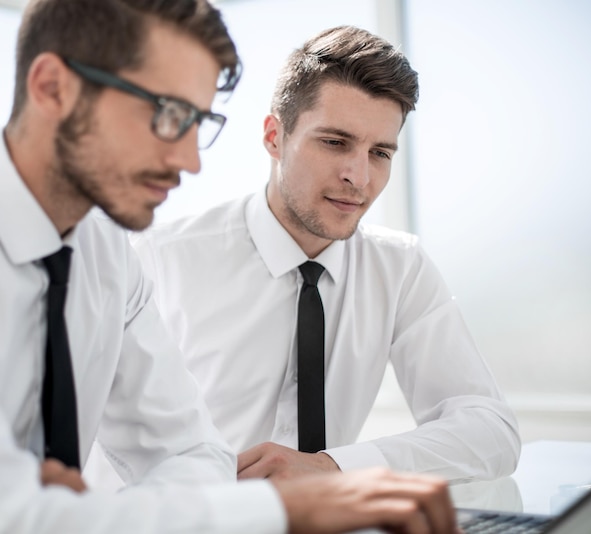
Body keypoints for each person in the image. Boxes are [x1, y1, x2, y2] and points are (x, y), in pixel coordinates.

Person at [0, 1, 460, 533]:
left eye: (198, 122)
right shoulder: (156, 255)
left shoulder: (108, 259)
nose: (190, 161)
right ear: (54, 88)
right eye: (166, 114)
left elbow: (193, 453)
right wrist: (289, 510)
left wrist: (87, 518)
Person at [132, 25, 522, 483]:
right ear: (274, 137)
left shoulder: (398, 269)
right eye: (335, 142)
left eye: (380, 152)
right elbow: (119, 449)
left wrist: (331, 467)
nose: (359, 177)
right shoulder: (164, 261)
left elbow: (491, 431)